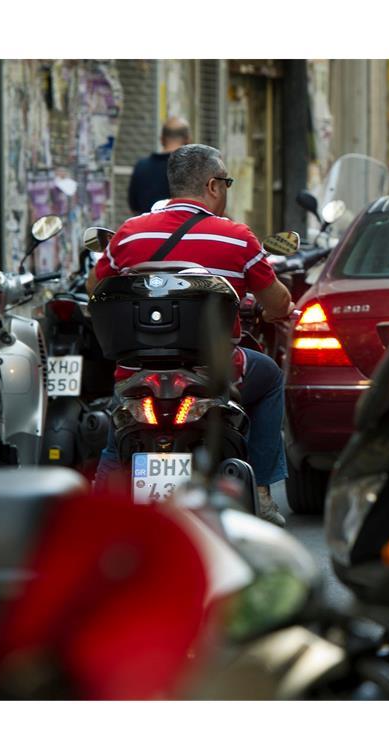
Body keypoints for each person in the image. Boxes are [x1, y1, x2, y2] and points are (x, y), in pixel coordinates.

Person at [88, 144, 294, 526]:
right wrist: (269, 308)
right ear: (213, 186)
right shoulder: (236, 238)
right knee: (270, 378)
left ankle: (98, 512)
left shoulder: (129, 235)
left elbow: (94, 290)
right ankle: (263, 491)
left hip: (136, 374)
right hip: (216, 373)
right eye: (227, 183)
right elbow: (279, 303)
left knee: (119, 432)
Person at [127, 116, 192, 214]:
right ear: (188, 140)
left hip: (147, 227)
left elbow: (134, 207)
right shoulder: (193, 167)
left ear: (161, 139)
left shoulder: (141, 166)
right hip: (183, 227)